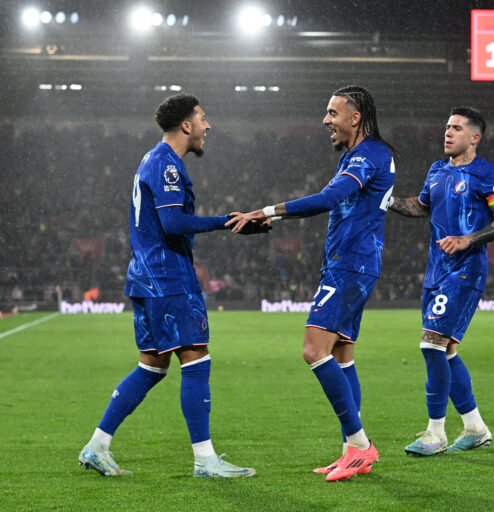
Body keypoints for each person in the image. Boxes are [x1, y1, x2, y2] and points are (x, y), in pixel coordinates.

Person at [79, 93, 267, 478]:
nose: (207, 125)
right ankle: (205, 460)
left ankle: (97, 445)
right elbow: (173, 223)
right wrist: (227, 221)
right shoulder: (165, 164)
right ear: (186, 125)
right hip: (168, 277)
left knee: (152, 365)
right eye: (202, 118)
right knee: (196, 356)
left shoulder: (152, 159)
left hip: (146, 276)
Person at [228, 85, 396, 481]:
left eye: (332, 113)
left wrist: (267, 210)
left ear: (355, 118)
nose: (326, 120)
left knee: (312, 349)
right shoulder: (366, 155)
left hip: (350, 265)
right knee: (341, 355)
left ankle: (360, 444)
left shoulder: (368, 155)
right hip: (354, 262)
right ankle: (351, 451)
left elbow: (329, 198)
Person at [388, 107, 494, 456]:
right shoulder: (437, 170)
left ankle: (435, 433)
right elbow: (421, 206)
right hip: (436, 271)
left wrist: (467, 239)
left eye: (457, 128)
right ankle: (475, 428)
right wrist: (388, 200)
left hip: (466, 270)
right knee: (445, 350)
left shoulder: (486, 173)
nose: (448, 133)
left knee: (430, 345)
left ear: (474, 138)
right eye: (447, 127)